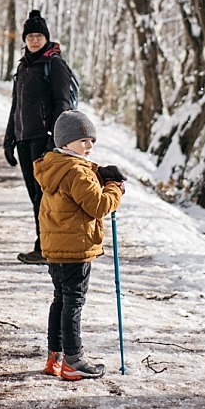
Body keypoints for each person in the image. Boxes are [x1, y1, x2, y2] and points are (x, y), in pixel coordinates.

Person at [33, 109, 125, 381]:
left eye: (92, 141)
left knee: (61, 301)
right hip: (76, 248)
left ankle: (55, 357)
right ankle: (74, 361)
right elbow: (98, 206)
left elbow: (77, 189)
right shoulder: (77, 173)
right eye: (83, 141)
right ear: (65, 143)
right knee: (73, 302)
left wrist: (98, 173)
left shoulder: (55, 167)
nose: (89, 146)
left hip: (57, 248)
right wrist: (114, 189)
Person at [3, 9, 79, 263]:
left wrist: (53, 139)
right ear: (24, 39)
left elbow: (63, 103)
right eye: (30, 36)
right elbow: (16, 106)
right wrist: (10, 138)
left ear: (46, 38)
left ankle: (46, 248)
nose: (34, 40)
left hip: (43, 140)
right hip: (25, 140)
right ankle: (44, 246)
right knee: (34, 196)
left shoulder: (54, 65)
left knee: (44, 196)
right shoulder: (23, 67)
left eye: (39, 35)